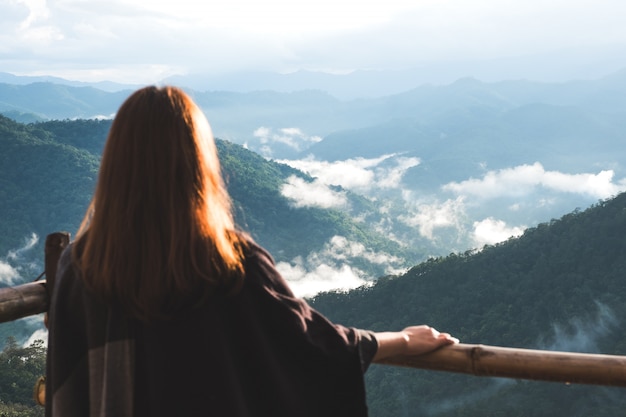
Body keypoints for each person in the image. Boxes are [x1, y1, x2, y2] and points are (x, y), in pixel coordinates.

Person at [45, 86, 458, 417]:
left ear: (115, 164)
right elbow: (315, 347)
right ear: (197, 163)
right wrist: (402, 339)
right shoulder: (229, 263)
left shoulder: (81, 266)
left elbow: (69, 379)